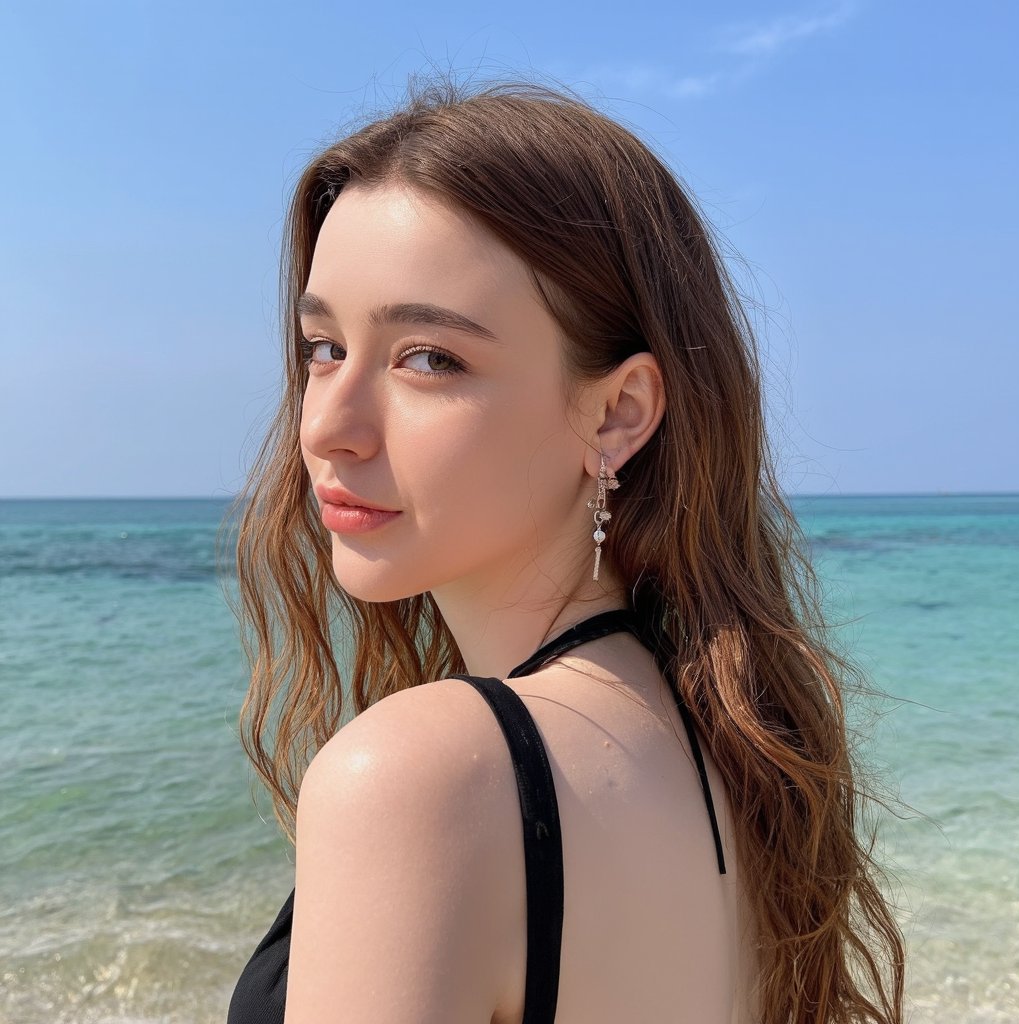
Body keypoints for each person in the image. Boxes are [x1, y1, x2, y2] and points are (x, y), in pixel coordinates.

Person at [226, 79, 905, 1024]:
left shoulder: (421, 781)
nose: (331, 427)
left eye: (430, 358)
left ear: (619, 412)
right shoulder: (741, 759)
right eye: (323, 347)